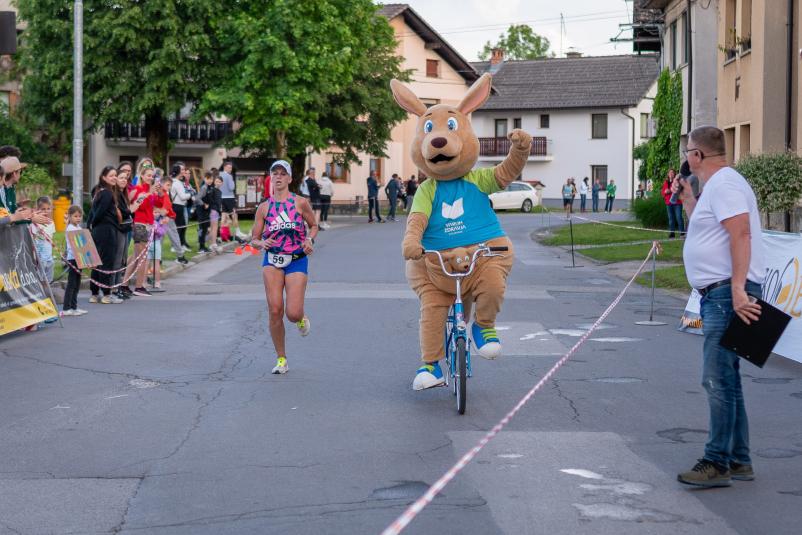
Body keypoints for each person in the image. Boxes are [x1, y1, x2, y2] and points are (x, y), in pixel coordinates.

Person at [673, 125, 765, 488]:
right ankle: (739, 459)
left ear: (697, 155)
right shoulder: (719, 185)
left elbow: (740, 233)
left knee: (716, 379)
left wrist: (739, 288)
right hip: (722, 292)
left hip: (727, 294)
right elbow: (712, 231)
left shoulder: (725, 185)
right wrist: (689, 202)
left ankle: (717, 462)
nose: (686, 158)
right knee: (728, 378)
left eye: (688, 152)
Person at [250, 160, 318, 375]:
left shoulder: (300, 203)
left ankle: (301, 318)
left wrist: (309, 240)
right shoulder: (264, 207)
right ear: (272, 178)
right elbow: (254, 238)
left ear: (289, 178)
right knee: (275, 309)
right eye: (275, 173)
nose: (278, 177)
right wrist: (261, 243)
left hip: (297, 258)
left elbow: (314, 225)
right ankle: (282, 359)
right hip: (272, 259)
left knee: (292, 312)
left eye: (283, 173)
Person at [86, 166, 122, 304]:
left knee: (96, 262)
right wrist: (94, 223)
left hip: (97, 231)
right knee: (107, 261)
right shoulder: (107, 193)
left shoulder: (98, 191)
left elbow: (92, 212)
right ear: (104, 177)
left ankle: (94, 293)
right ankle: (107, 294)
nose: (114, 178)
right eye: (111, 175)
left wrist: (90, 225)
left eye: (115, 175)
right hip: (107, 230)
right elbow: (99, 212)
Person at [125, 164, 160, 296]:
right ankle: (139, 286)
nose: (150, 178)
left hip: (148, 224)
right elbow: (140, 206)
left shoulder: (149, 189)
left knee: (135, 257)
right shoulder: (138, 189)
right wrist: (149, 193)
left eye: (152, 175)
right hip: (140, 224)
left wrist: (158, 194)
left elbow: (156, 205)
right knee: (142, 258)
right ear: (142, 176)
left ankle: (124, 284)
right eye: (148, 175)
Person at [113, 162, 134, 300]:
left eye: (126, 178)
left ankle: (118, 286)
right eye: (121, 177)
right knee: (117, 259)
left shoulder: (123, 193)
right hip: (117, 229)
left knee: (122, 259)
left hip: (125, 228)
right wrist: (132, 209)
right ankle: (113, 288)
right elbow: (124, 211)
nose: (124, 179)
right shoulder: (114, 194)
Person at [62, 205, 88, 316]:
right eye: (75, 216)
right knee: (71, 284)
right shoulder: (71, 228)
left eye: (79, 216)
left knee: (77, 284)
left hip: (79, 258)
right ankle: (66, 308)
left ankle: (74, 307)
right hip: (73, 259)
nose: (78, 218)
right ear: (69, 216)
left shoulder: (78, 228)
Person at [158, 176, 189, 265]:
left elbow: (165, 209)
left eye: (170, 185)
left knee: (172, 237)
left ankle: (179, 256)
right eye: (168, 185)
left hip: (167, 218)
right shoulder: (162, 194)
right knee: (162, 238)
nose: (169, 187)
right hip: (164, 218)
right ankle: (160, 258)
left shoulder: (165, 194)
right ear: (161, 184)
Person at [219, 161, 246, 241]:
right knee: (234, 215)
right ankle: (238, 231)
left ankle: (221, 233)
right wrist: (233, 182)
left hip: (221, 197)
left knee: (223, 216)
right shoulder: (229, 176)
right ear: (225, 167)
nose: (230, 169)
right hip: (229, 198)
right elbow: (231, 187)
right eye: (229, 167)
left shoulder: (219, 175)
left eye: (231, 168)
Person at [31, 196, 56, 284]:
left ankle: (47, 291)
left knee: (48, 278)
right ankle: (41, 292)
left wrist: (52, 243)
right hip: (40, 256)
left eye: (48, 208)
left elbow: (51, 236)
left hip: (49, 255)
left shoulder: (51, 222)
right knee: (40, 278)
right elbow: (33, 237)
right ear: (38, 209)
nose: (46, 211)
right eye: (43, 209)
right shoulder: (35, 223)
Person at [170, 162, 192, 251]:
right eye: (182, 170)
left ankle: (181, 245)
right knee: (178, 228)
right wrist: (190, 194)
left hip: (180, 207)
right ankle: (175, 246)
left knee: (182, 226)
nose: (184, 171)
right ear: (178, 171)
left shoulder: (178, 182)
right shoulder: (176, 183)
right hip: (177, 207)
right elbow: (183, 197)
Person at [662, 169, 685, 238]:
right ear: (668, 174)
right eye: (670, 173)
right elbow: (662, 192)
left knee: (679, 217)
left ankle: (682, 233)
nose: (671, 174)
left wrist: (671, 191)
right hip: (669, 203)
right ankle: (672, 233)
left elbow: (679, 189)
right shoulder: (666, 182)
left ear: (674, 174)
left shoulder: (677, 181)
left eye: (672, 173)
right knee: (671, 218)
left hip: (677, 202)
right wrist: (665, 192)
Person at [196, 172, 214, 253]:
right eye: (208, 179)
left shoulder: (209, 187)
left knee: (205, 228)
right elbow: (197, 198)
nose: (210, 180)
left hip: (206, 212)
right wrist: (204, 204)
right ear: (205, 179)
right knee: (202, 229)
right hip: (202, 211)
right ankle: (201, 247)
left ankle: (203, 246)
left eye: (211, 179)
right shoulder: (204, 188)